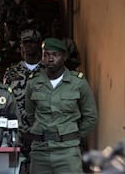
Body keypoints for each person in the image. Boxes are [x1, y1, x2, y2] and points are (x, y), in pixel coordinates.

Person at [25, 38, 98, 174]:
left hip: (67, 151)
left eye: (55, 55)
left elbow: (90, 117)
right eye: (46, 55)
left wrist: (72, 135)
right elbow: (30, 114)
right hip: (40, 151)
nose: (50, 59)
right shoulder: (33, 83)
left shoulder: (78, 83)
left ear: (64, 57)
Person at [3, 28, 45, 174]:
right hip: (17, 137)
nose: (28, 46)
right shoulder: (11, 73)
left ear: (39, 45)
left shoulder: (49, 70)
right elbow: (6, 104)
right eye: (25, 43)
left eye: (32, 43)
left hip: (43, 136)